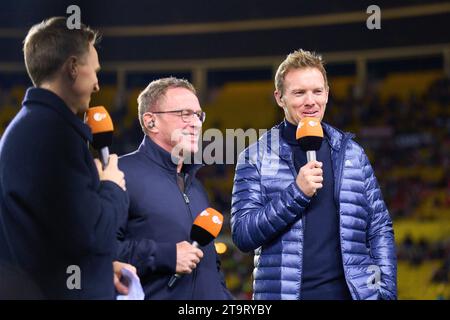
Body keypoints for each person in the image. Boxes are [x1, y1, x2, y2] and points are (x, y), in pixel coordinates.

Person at [231, 49, 397, 300]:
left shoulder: (351, 153)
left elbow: (379, 227)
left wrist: (385, 292)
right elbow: (243, 234)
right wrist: (296, 193)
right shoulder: (255, 157)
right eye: (299, 93)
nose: (310, 101)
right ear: (280, 98)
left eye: (317, 91)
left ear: (327, 94)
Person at [0, 17, 133, 299]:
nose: (98, 84)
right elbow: (95, 235)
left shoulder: (31, 126)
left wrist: (95, 269)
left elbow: (58, 238)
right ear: (73, 68)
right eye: (95, 71)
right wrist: (111, 185)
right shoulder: (52, 134)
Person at [117, 77, 233, 300]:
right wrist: (166, 256)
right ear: (151, 122)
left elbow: (212, 267)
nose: (196, 123)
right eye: (184, 114)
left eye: (198, 115)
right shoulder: (119, 173)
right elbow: (96, 250)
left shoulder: (196, 186)